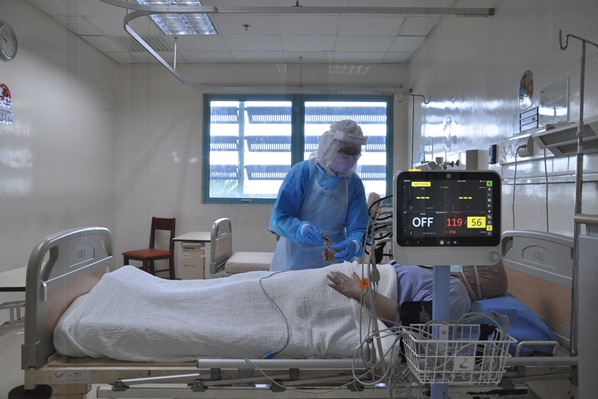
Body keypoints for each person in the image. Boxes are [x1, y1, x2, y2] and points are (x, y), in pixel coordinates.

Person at [269, 119, 369, 271]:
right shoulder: (303, 172)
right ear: (330, 147)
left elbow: (360, 228)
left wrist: (354, 244)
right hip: (293, 260)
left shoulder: (353, 183)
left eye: (354, 154)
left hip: (332, 260)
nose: (350, 158)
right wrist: (300, 229)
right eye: (345, 152)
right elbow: (280, 218)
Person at [326, 261, 472, 327]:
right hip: (353, 280)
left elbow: (401, 318)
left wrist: (361, 290)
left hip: (358, 296)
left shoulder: (456, 294)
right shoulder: (436, 273)